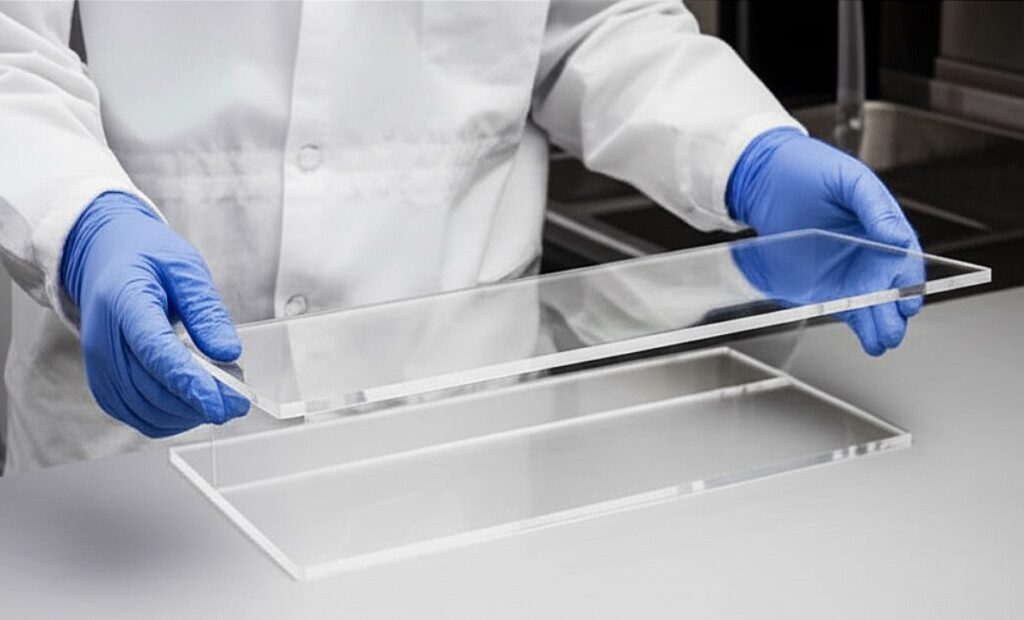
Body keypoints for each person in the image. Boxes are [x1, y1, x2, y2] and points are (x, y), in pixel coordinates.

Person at [0, 1, 919, 472]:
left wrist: (746, 149)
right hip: (136, 442)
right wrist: (80, 220)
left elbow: (588, 22)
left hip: (456, 432)